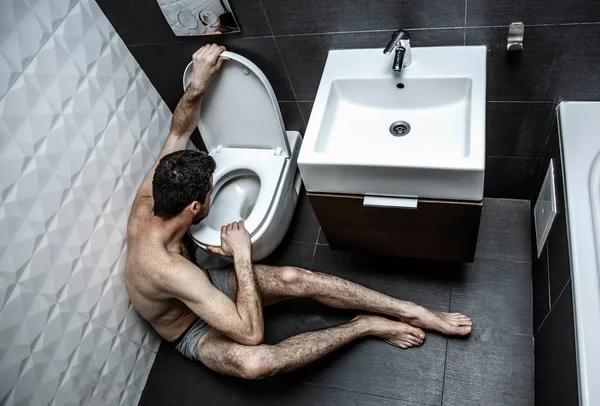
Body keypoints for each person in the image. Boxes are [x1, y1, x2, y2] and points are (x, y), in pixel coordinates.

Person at [124, 44, 473, 380]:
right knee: (257, 364)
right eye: (212, 192)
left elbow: (179, 129)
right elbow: (250, 333)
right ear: (194, 207)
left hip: (202, 284)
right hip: (189, 326)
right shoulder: (165, 269)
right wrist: (242, 257)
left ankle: (411, 310)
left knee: (295, 278)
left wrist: (197, 84)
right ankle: (363, 326)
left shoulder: (154, 191)